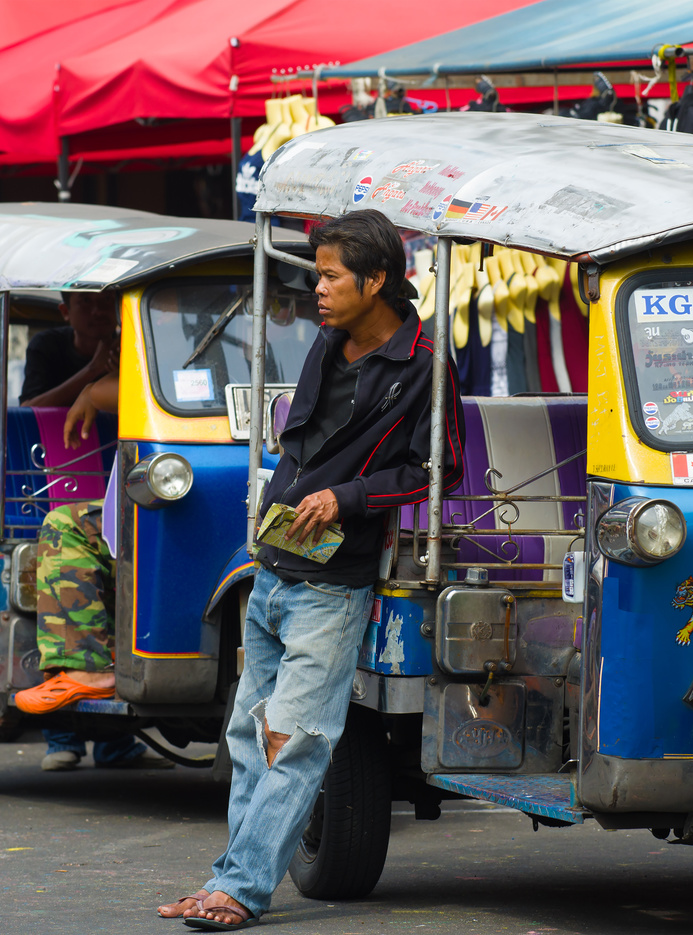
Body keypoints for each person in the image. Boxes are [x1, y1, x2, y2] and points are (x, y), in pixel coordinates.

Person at [160, 210, 465, 930]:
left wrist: (347, 496)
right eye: (317, 273)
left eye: (330, 275)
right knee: (247, 735)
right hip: (272, 568)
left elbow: (439, 470)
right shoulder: (326, 344)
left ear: (377, 278)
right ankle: (227, 878)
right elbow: (303, 445)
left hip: (333, 584)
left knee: (296, 740)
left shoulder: (426, 364)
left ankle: (239, 888)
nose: (318, 289)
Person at [16, 292, 168, 772]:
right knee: (62, 538)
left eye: (108, 305)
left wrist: (100, 384)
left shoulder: (139, 341)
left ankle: (115, 743)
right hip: (54, 468)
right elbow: (29, 410)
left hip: (135, 475)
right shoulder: (50, 348)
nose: (100, 313)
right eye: (89, 304)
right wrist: (88, 381)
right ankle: (63, 731)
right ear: (67, 311)